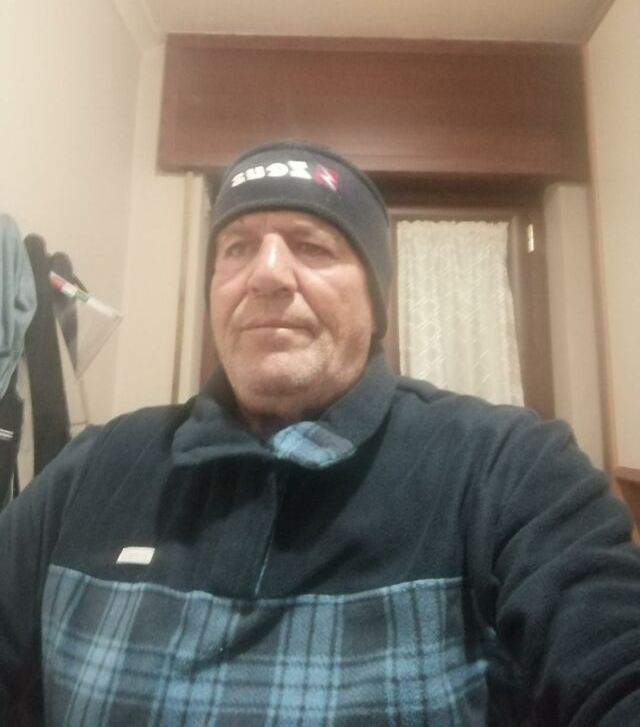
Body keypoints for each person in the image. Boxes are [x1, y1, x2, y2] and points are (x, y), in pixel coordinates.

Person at [1, 141, 639, 726]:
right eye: (237, 248)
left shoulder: (508, 468)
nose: (266, 274)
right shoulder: (93, 468)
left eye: (312, 246)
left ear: (376, 300)